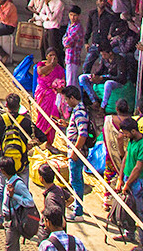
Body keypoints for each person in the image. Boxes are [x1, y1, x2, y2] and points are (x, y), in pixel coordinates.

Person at [0, 93, 48, 226]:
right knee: (23, 190)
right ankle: (23, 219)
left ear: (6, 105)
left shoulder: (0, 119)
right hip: (22, 163)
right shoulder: (26, 121)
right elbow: (43, 137)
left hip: (5, 163)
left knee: (2, 188)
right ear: (19, 106)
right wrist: (29, 145)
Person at [116, 117, 143, 244]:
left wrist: (127, 184)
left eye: (125, 133)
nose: (124, 135)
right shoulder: (131, 141)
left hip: (138, 182)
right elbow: (125, 159)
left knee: (141, 212)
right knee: (128, 209)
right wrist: (120, 178)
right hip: (127, 178)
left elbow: (138, 168)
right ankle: (129, 234)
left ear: (133, 131)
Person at [58, 86, 91, 220]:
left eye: (66, 99)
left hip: (76, 151)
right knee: (77, 179)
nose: (65, 102)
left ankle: (78, 212)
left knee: (75, 180)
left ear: (72, 98)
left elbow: (82, 134)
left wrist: (75, 152)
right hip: (74, 149)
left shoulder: (79, 112)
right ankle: (78, 203)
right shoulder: (77, 111)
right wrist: (67, 125)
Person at [0, 156, 38, 250]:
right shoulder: (8, 181)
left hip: (14, 220)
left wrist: (14, 196)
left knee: (10, 247)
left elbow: (30, 202)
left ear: (4, 171)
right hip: (8, 219)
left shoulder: (18, 184)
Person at [35, 47, 67, 139]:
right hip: (42, 94)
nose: (53, 57)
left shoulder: (59, 69)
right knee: (42, 116)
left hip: (54, 96)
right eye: (50, 55)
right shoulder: (41, 64)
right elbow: (40, 72)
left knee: (52, 118)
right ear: (46, 56)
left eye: (54, 55)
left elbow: (63, 81)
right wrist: (51, 65)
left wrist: (59, 87)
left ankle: (49, 142)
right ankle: (39, 137)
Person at [62, 6, 86, 87]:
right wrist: (65, 41)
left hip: (73, 57)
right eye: (71, 15)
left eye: (75, 15)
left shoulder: (77, 28)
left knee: (70, 82)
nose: (73, 17)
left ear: (79, 16)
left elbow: (67, 41)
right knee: (72, 81)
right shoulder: (70, 24)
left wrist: (66, 41)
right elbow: (64, 38)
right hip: (68, 56)